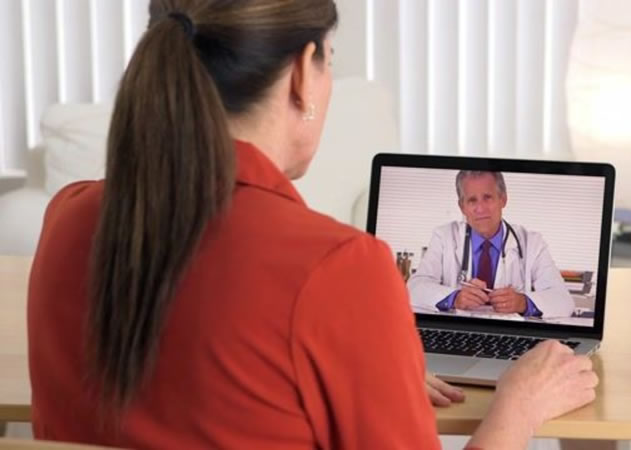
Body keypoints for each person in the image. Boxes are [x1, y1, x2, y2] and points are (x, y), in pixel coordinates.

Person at [26, 1, 597, 449]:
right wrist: (519, 407)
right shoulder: (338, 268)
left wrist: (375, 368)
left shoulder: (68, 218)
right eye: (330, 58)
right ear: (303, 73)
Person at [409, 170, 575, 318]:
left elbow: (563, 301)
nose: (480, 209)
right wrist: (455, 298)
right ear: (462, 207)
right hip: (458, 332)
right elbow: (414, 289)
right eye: (472, 200)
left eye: (487, 198)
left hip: (511, 336)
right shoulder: (444, 237)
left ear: (503, 199)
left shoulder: (532, 243)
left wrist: (522, 303)